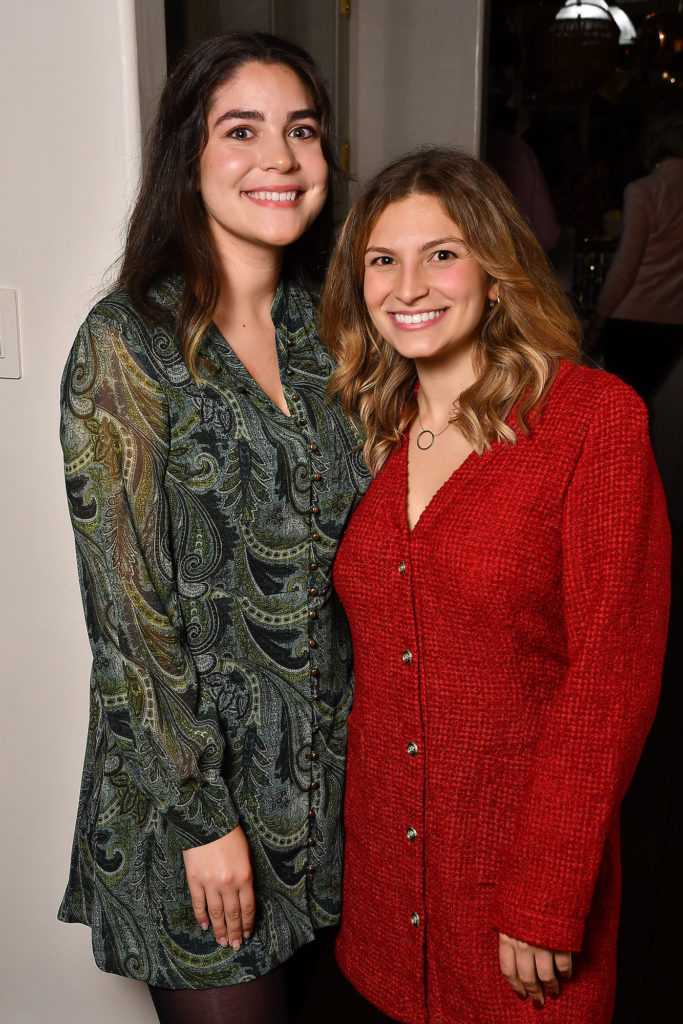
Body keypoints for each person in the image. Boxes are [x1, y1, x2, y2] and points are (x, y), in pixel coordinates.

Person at [319, 147, 671, 1024]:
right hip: (386, 890)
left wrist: (548, 890)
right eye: (381, 260)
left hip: (522, 888)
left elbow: (609, 679)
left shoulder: (591, 421)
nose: (409, 285)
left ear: (495, 269)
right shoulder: (372, 428)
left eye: (441, 253)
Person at [58, 32, 367, 1024]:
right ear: (188, 158)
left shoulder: (332, 333)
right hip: (192, 808)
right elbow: (129, 617)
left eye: (302, 131)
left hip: (323, 796)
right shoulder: (128, 341)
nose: (279, 158)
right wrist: (201, 819)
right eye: (242, 130)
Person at [586, 105, 683, 403]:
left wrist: (599, 319)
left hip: (631, 316)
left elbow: (626, 266)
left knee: (623, 413)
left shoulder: (643, 190)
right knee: (639, 407)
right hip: (674, 320)